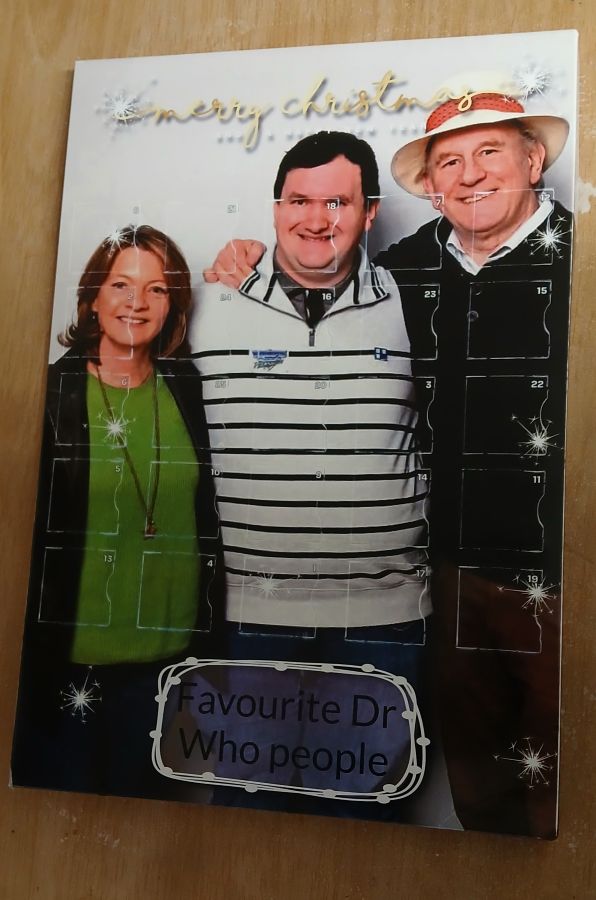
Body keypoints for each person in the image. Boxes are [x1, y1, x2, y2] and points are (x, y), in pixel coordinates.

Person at [203, 73, 572, 836]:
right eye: (449, 161)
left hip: (564, 580)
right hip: (448, 578)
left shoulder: (583, 258)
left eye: (490, 152)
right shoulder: (405, 270)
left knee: (568, 796)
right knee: (478, 791)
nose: (469, 175)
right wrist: (242, 269)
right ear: (430, 187)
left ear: (534, 161)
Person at [190, 131, 459, 825]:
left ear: (370, 212)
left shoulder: (416, 298)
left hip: (382, 619)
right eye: (298, 201)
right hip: (251, 618)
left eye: (337, 201)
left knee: (366, 821)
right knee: (245, 817)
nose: (315, 219)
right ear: (276, 208)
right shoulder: (209, 304)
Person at [12, 225, 222, 800]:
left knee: (146, 835)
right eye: (121, 285)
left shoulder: (187, 387)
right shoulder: (47, 394)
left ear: (173, 304)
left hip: (172, 670)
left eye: (157, 289)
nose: (138, 302)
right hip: (71, 669)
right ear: (92, 298)